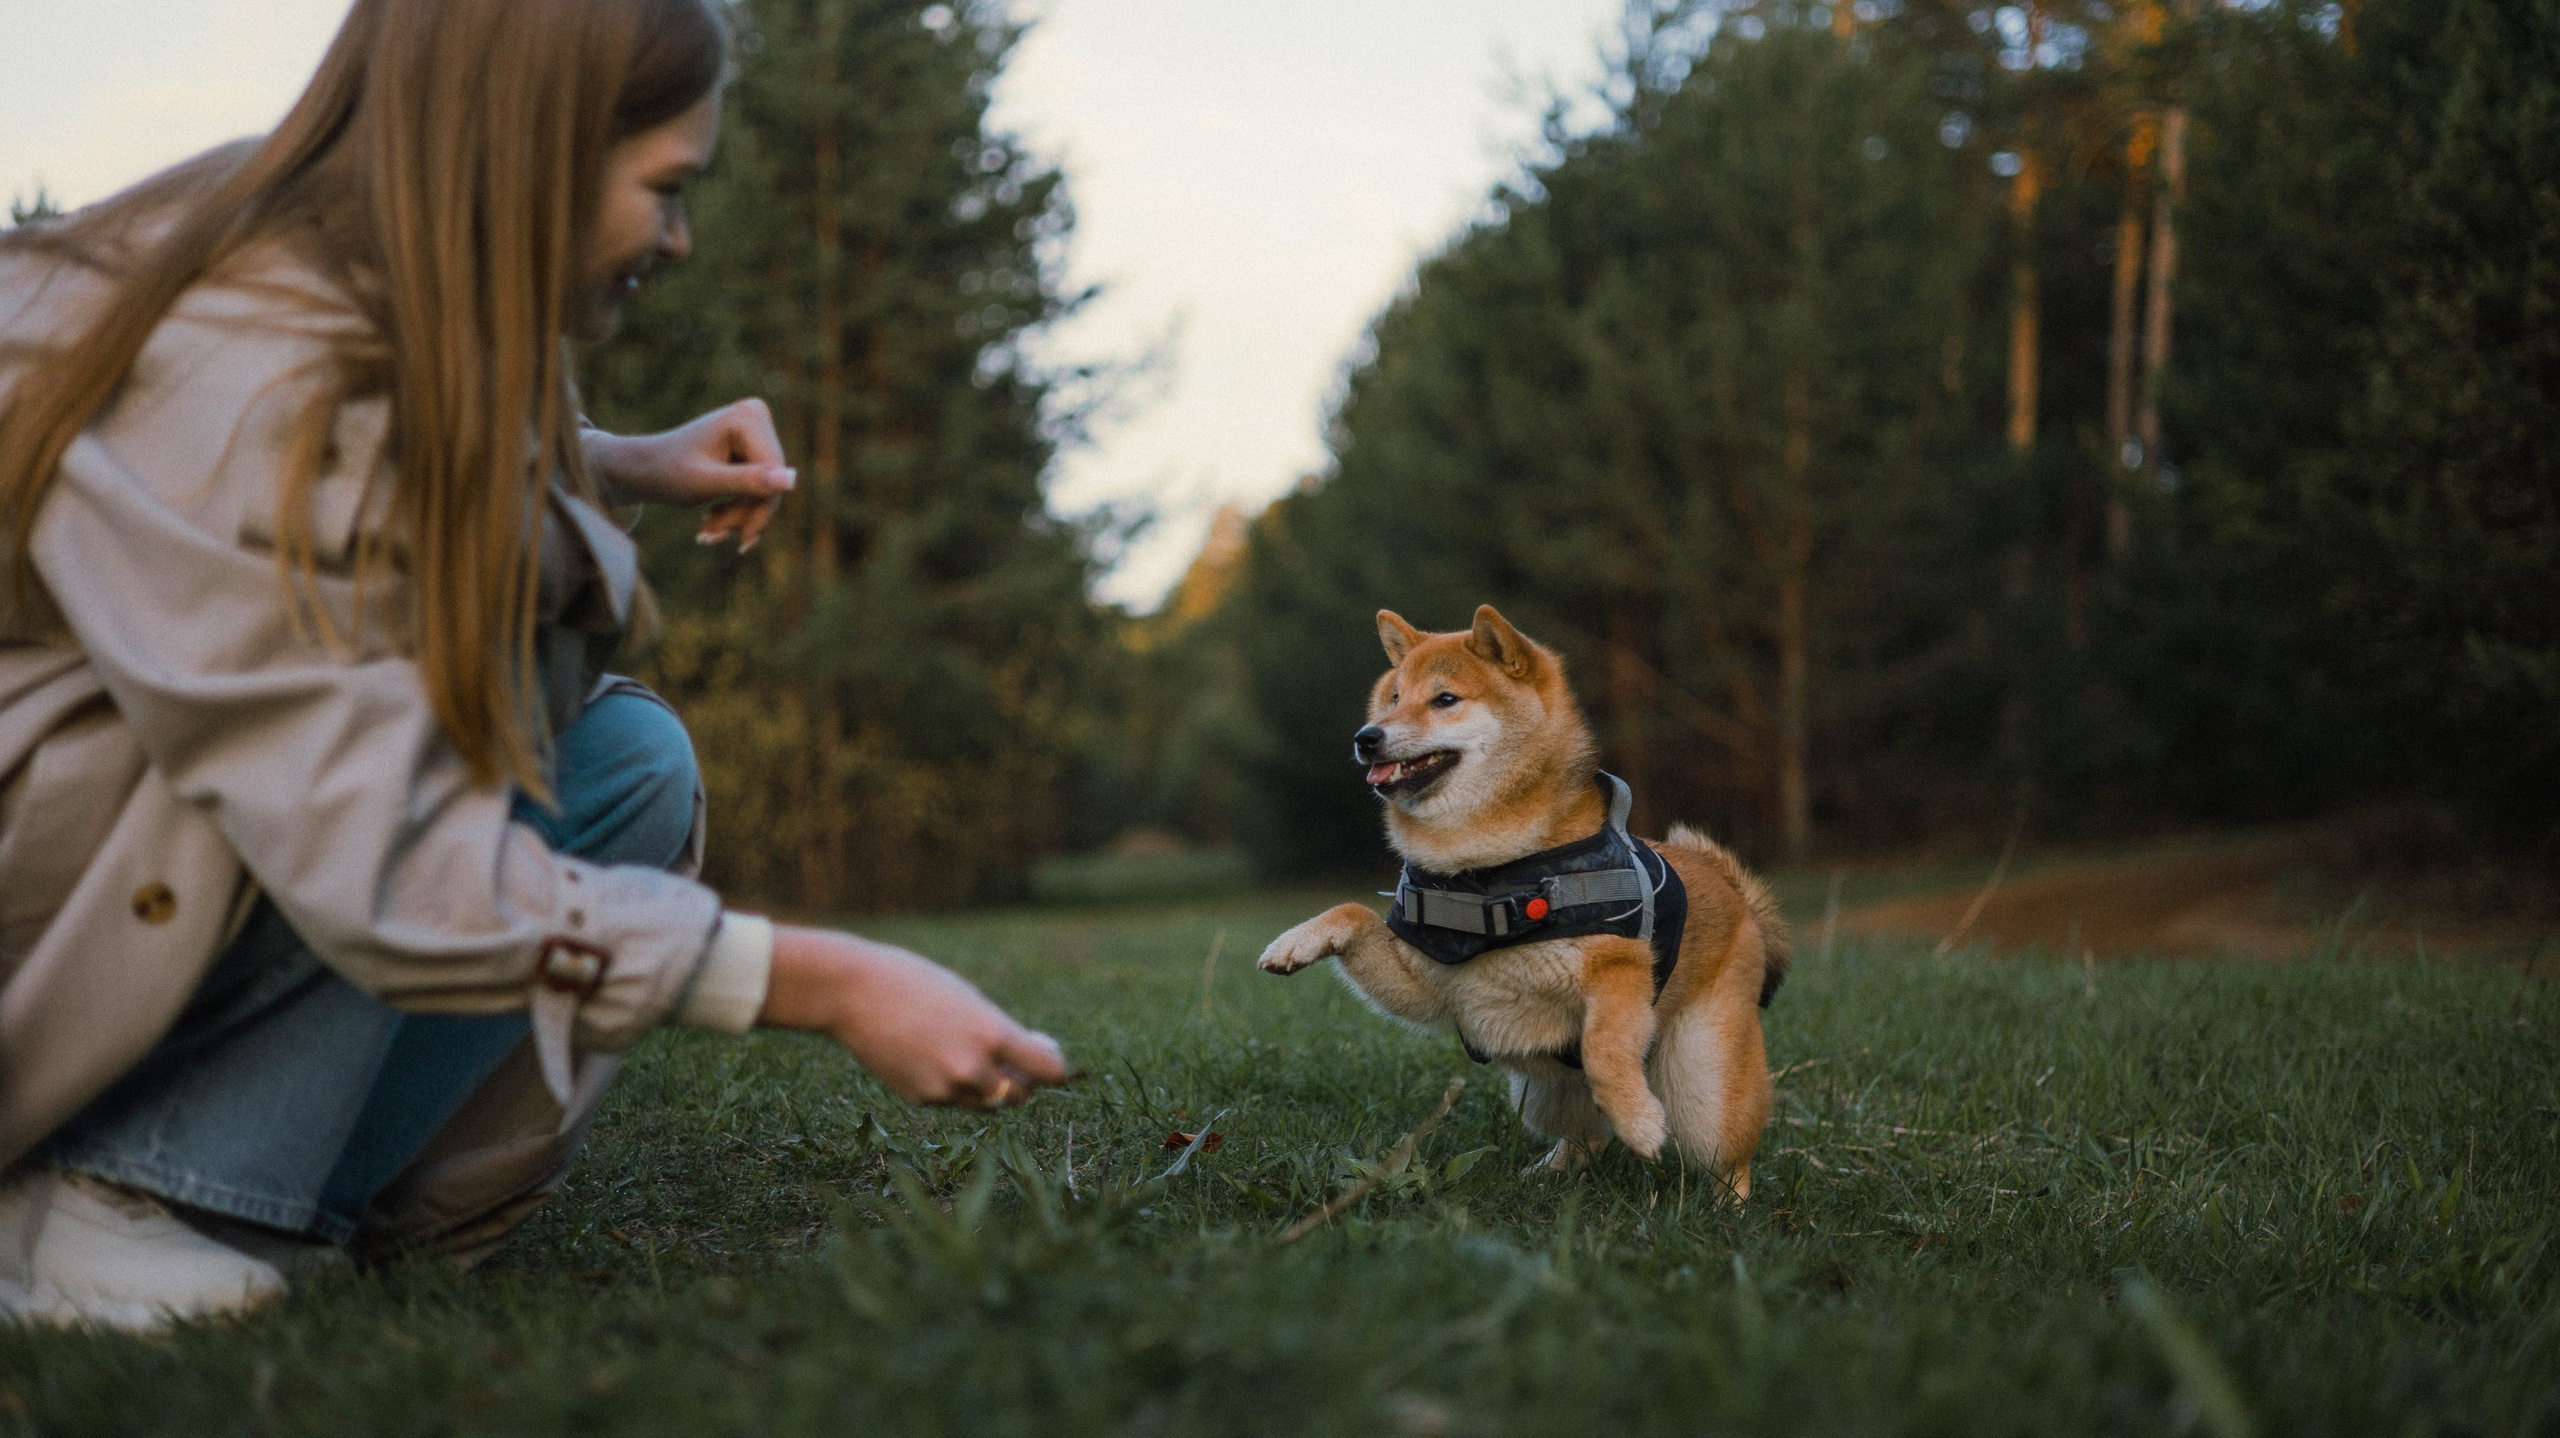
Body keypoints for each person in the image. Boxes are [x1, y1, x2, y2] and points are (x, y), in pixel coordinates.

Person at [0, 0, 1068, 1333]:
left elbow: (388, 445)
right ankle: (107, 1202)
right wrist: (835, 981)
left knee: (626, 763)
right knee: (451, 683)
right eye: (665, 189)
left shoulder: (332, 244)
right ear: (535, 153)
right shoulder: (267, 360)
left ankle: (237, 1182)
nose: (678, 238)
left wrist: (613, 459)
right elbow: (377, 834)